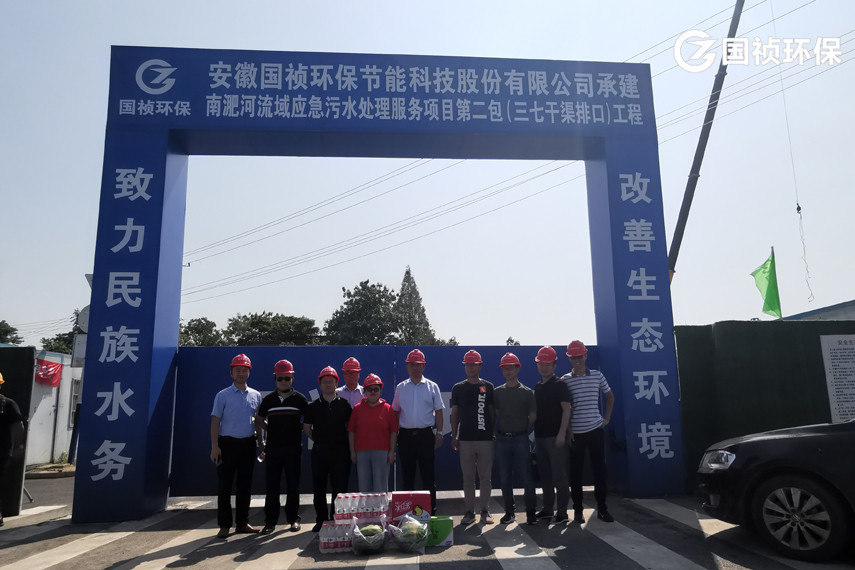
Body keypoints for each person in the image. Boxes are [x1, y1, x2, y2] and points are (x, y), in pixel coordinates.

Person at [562, 340, 616, 523]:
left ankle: (602, 509)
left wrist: (606, 419)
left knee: (599, 471)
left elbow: (610, 397)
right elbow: (565, 408)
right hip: (575, 433)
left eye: (580, 356)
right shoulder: (565, 380)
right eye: (573, 357)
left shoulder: (597, 376)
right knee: (576, 473)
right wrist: (568, 429)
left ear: (585, 356)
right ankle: (578, 511)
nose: (577, 360)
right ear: (569, 358)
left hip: (595, 430)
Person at [210, 353, 263, 538]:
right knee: (225, 486)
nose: (241, 373)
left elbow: (258, 421)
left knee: (245, 485)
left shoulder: (256, 395)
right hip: (227, 444)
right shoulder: (222, 395)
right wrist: (214, 446)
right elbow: (215, 421)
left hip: (248, 444)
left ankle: (242, 523)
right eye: (238, 370)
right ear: (231, 372)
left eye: (244, 370)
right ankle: (224, 525)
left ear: (249, 372)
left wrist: (261, 441)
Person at [255, 359, 309, 535]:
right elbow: (259, 419)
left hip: (293, 449)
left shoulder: (300, 399)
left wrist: (299, 428)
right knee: (272, 487)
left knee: (293, 486)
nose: (284, 381)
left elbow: (308, 420)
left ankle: (293, 519)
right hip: (273, 449)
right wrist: (267, 433)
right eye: (280, 378)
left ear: (292, 378)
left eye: (287, 378)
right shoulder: (268, 400)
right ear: (275, 379)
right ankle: (270, 522)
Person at [392, 349, 445, 515]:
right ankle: (407, 513)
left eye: (418, 365)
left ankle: (431, 511)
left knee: (428, 476)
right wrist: (395, 435)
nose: (415, 368)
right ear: (407, 366)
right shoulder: (401, 387)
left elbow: (439, 411)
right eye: (412, 364)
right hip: (405, 436)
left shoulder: (432, 386)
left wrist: (439, 432)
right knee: (407, 476)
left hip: (425, 435)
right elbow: (395, 412)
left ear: (424, 366)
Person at [303, 366, 352, 532]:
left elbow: (350, 428)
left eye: (331, 382)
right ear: (320, 384)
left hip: (340, 452)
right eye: (325, 382)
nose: (328, 384)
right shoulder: (314, 406)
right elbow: (306, 426)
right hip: (320, 452)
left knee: (340, 488)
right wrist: (317, 440)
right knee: (319, 488)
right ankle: (321, 519)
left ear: (336, 383)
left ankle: (338, 518)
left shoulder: (344, 405)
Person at [450, 350, 496, 525]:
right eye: (467, 365)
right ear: (464, 366)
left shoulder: (488, 387)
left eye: (474, 365)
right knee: (468, 478)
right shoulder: (458, 388)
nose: (470, 368)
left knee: (485, 478)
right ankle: (469, 512)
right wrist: (454, 436)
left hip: (485, 439)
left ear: (480, 366)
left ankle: (485, 511)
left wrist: (490, 432)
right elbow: (455, 414)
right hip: (465, 439)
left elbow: (492, 413)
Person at [493, 352, 538, 525]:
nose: (508, 371)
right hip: (502, 439)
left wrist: (521, 428)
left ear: (517, 369)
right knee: (505, 478)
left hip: (521, 439)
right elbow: (497, 414)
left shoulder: (526, 392)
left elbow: (533, 416)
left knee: (527, 477)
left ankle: (531, 512)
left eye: (511, 368)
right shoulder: (497, 392)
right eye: (505, 368)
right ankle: (509, 512)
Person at [532, 346, 572, 524]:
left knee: (559, 476)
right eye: (541, 363)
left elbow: (567, 409)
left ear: (554, 365)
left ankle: (562, 512)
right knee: (545, 476)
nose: (544, 367)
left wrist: (562, 433)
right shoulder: (538, 386)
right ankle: (547, 509)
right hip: (540, 437)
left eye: (547, 364)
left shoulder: (560, 385)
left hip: (556, 438)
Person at [347, 373, 398, 493]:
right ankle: (366, 506)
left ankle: (381, 506)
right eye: (370, 389)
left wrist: (391, 451)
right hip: (362, 453)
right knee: (364, 487)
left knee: (380, 487)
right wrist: (352, 451)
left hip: (382, 452)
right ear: (364, 391)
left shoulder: (388, 409)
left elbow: (393, 432)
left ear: (380, 391)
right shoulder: (357, 409)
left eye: (376, 389)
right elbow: (351, 431)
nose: (373, 392)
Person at [0, 372, 25, 528]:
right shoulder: (8, 404)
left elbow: (18, 427)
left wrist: (18, 446)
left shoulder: (8, 404)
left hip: (2, 451)